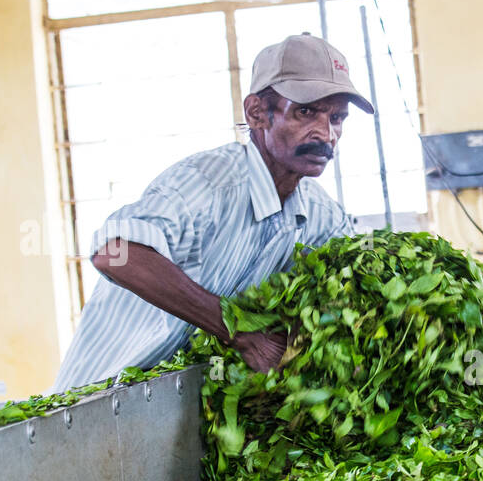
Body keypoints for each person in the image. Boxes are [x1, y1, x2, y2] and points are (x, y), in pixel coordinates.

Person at [50, 33, 372, 392]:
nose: (326, 134)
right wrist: (239, 328)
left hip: (184, 411)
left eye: (338, 118)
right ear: (256, 113)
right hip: (97, 405)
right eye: (305, 112)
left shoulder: (321, 216)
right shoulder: (208, 184)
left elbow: (358, 286)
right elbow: (115, 253)